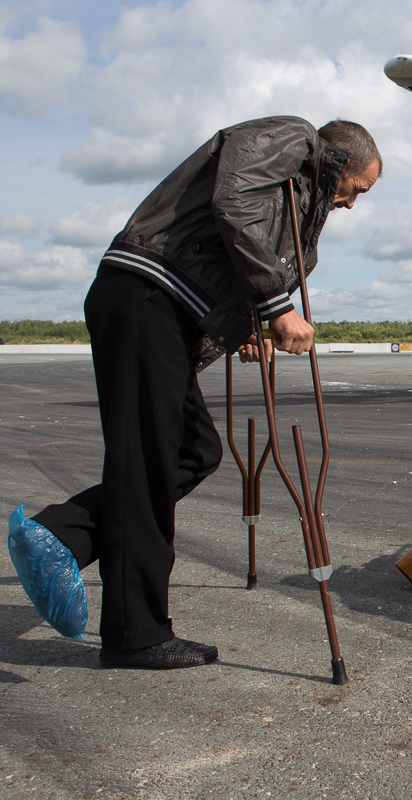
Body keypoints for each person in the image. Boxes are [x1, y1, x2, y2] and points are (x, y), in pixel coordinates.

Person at [7, 117, 382, 670]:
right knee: (149, 463)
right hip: (148, 289)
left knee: (193, 451)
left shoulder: (304, 207)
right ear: (342, 162)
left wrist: (250, 329)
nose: (353, 203)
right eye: (359, 189)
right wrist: (277, 306)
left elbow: (230, 255)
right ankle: (135, 633)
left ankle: (64, 534)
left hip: (169, 311)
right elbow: (233, 203)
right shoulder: (293, 138)